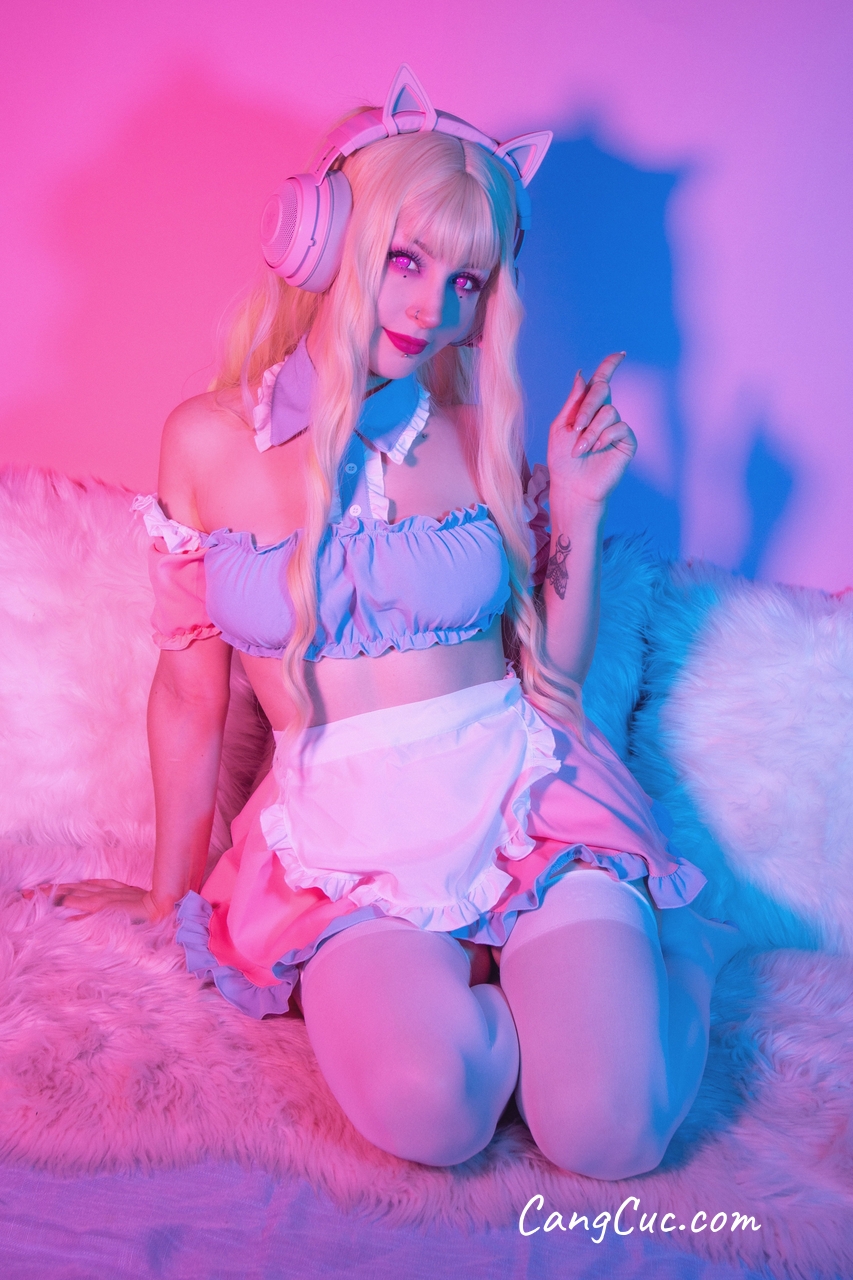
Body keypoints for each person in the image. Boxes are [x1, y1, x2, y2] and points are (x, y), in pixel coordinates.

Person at [52, 67, 741, 1177]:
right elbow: (188, 689)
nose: (432, 309)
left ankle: (676, 963)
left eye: (465, 280)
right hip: (340, 845)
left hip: (525, 803)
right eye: (405, 260)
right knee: (432, 1114)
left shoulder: (474, 435)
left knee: (608, 1130)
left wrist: (574, 503)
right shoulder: (205, 444)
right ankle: (491, 980)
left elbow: (555, 685)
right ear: (320, 241)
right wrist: (169, 890)